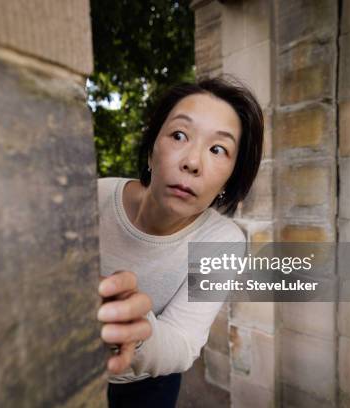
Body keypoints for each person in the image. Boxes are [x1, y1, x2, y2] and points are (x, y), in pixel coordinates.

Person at [96, 75, 264, 408]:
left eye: (218, 149)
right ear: (151, 149)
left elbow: (184, 341)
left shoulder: (224, 241)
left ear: (230, 178)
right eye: (178, 135)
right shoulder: (92, 196)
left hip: (147, 386)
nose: (192, 162)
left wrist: (136, 330)